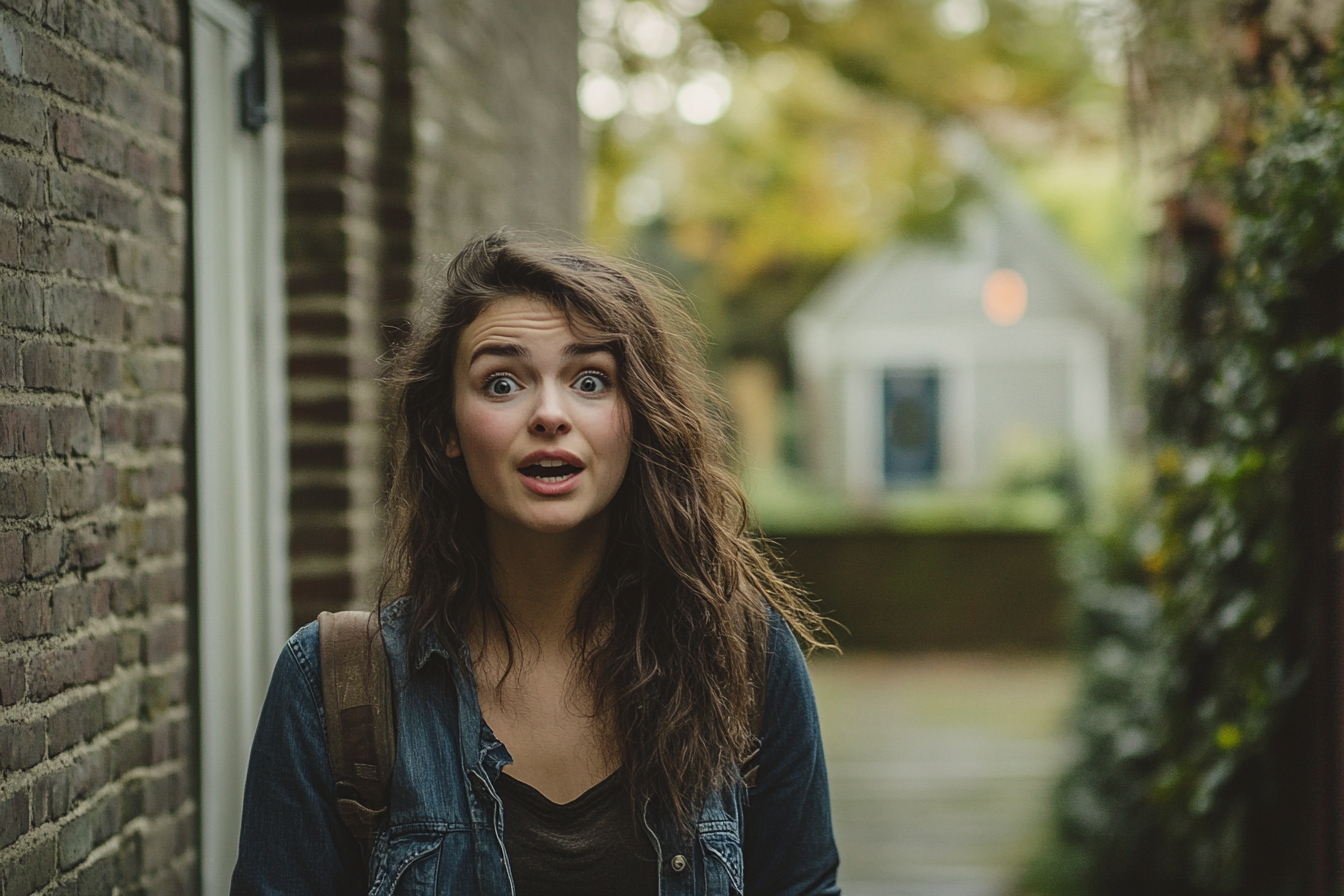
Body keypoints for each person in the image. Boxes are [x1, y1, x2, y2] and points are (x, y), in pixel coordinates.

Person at [230, 231, 841, 895]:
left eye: (589, 380)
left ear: (635, 417)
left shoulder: (743, 658)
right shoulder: (331, 687)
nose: (550, 414)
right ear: (446, 431)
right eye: (501, 383)